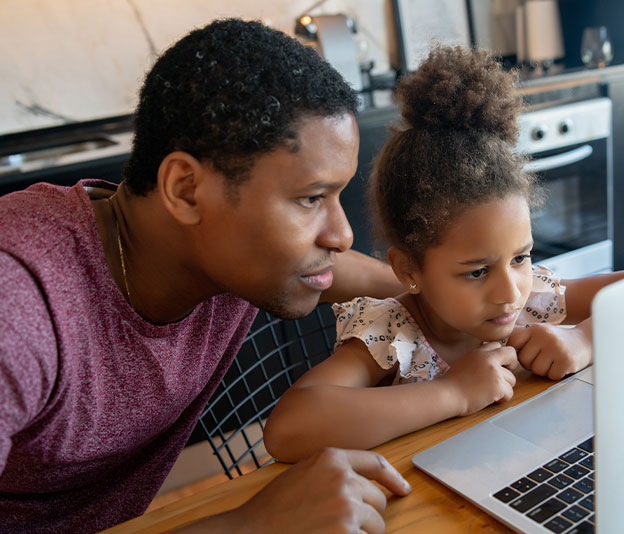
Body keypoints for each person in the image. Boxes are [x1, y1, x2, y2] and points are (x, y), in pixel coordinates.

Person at [0, 19, 411, 534]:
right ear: (187, 189)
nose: (342, 234)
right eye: (310, 199)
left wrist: (450, 293)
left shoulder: (218, 250)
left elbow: (335, 271)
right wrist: (254, 525)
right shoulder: (17, 305)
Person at [263, 46, 624, 463]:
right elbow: (288, 428)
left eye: (519, 258)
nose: (508, 292)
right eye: (477, 272)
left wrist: (583, 339)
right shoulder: (395, 334)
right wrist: (452, 392)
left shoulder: (533, 299)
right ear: (409, 270)